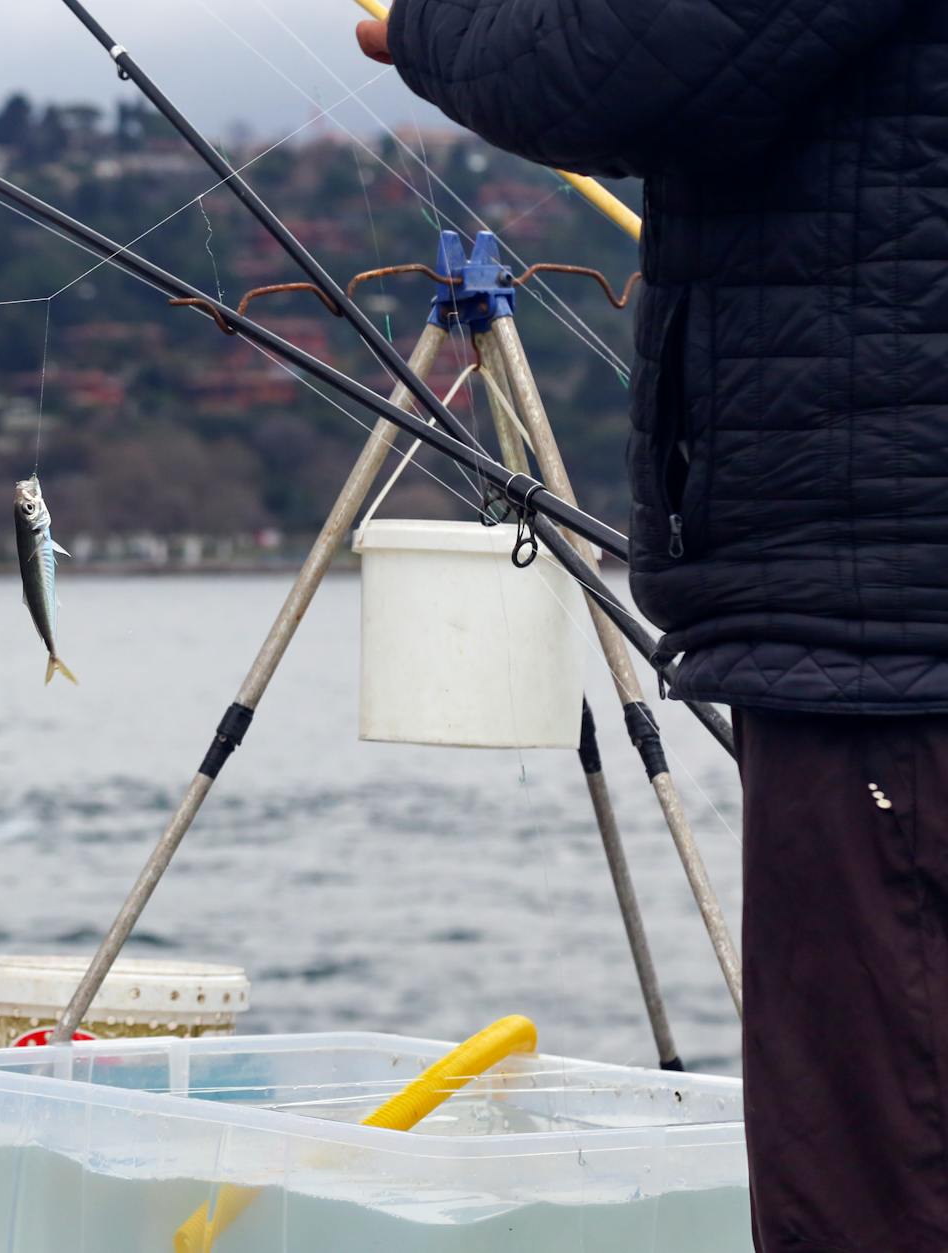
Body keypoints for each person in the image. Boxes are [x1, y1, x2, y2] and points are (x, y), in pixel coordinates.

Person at [359, 1, 948, 1247]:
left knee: (870, 1166)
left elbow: (608, 59)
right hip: (880, 619)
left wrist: (427, 26)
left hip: (886, 640)